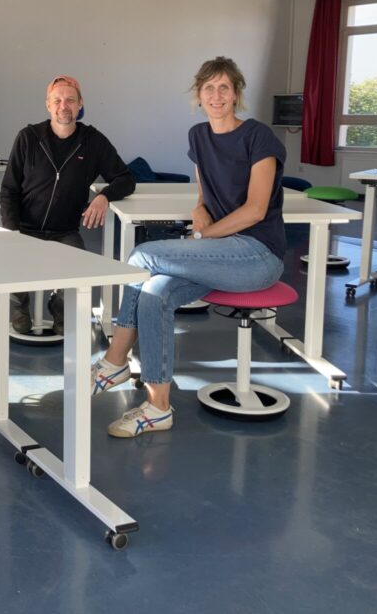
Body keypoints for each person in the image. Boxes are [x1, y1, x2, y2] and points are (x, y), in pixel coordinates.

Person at [91, 56, 286, 438]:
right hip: (220, 254)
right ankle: (157, 406)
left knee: (143, 255)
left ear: (236, 94)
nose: (216, 95)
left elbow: (255, 210)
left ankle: (114, 359)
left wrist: (203, 237)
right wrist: (199, 210)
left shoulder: (258, 136)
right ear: (198, 94)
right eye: (209, 88)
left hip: (257, 255)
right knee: (155, 290)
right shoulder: (198, 136)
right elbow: (206, 194)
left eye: (224, 88)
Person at [0, 75, 135, 335]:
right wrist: (12, 232)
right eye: (57, 100)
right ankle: (19, 307)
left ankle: (59, 307)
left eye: (70, 100)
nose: (64, 106)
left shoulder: (92, 140)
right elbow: (8, 191)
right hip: (25, 228)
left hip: (65, 231)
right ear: (48, 105)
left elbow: (126, 179)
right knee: (14, 264)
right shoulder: (28, 138)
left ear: (80, 104)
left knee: (78, 266)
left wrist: (103, 196)